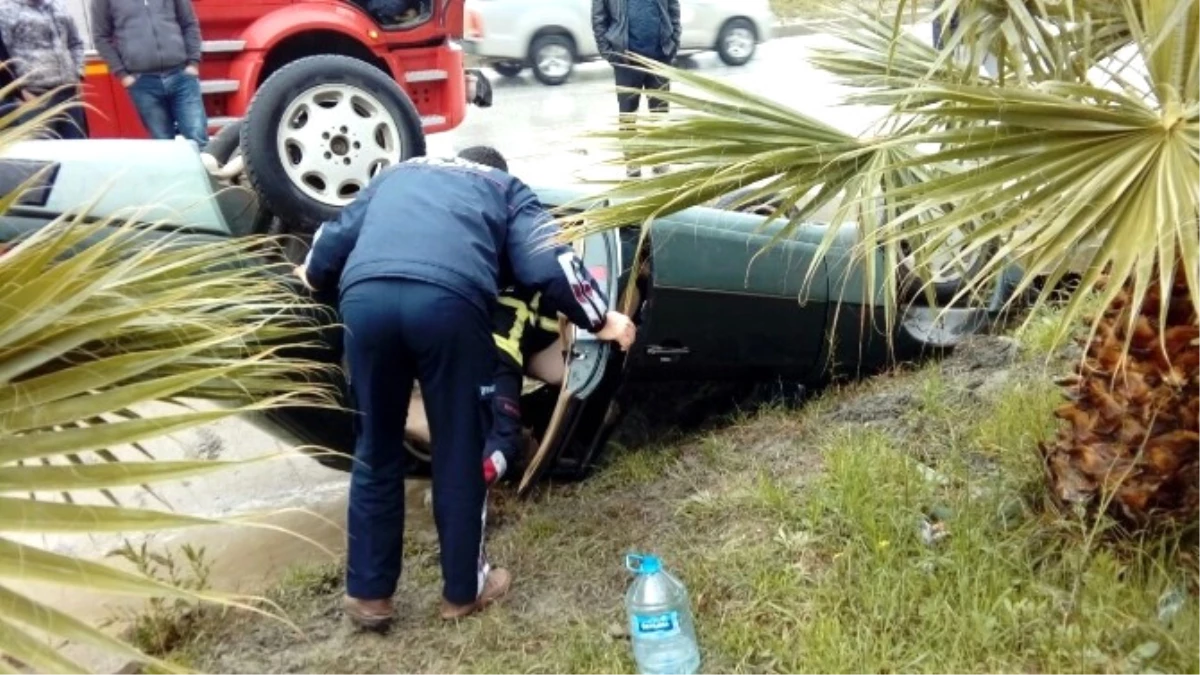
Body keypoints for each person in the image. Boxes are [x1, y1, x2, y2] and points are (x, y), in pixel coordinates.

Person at [294, 145, 637, 629]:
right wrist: (602, 318)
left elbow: (330, 240)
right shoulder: (506, 189)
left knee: (376, 446)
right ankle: (463, 591)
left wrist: (311, 276)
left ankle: (369, 596)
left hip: (365, 301)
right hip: (448, 303)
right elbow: (547, 261)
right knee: (459, 449)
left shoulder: (399, 174)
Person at [91, 0, 208, 148]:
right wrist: (123, 75)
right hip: (143, 83)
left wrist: (193, 63)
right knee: (163, 143)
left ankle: (205, 171)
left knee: (197, 138)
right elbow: (100, 37)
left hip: (181, 76)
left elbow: (189, 23)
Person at [482, 285, 564, 486]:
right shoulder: (549, 293)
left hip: (454, 340)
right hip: (497, 354)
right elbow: (559, 370)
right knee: (503, 442)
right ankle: (466, 489)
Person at [591, 0, 680, 178]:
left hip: (659, 57)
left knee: (660, 113)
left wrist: (673, 44)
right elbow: (598, 19)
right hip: (626, 60)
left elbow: (673, 10)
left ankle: (660, 160)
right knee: (628, 116)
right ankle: (632, 163)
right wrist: (609, 53)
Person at [0, 0, 88, 139]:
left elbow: (75, 43)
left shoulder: (58, 6)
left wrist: (78, 74)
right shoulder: (5, 11)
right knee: (43, 153)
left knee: (77, 147)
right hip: (33, 96)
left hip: (68, 92)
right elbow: (3, 58)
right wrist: (18, 92)